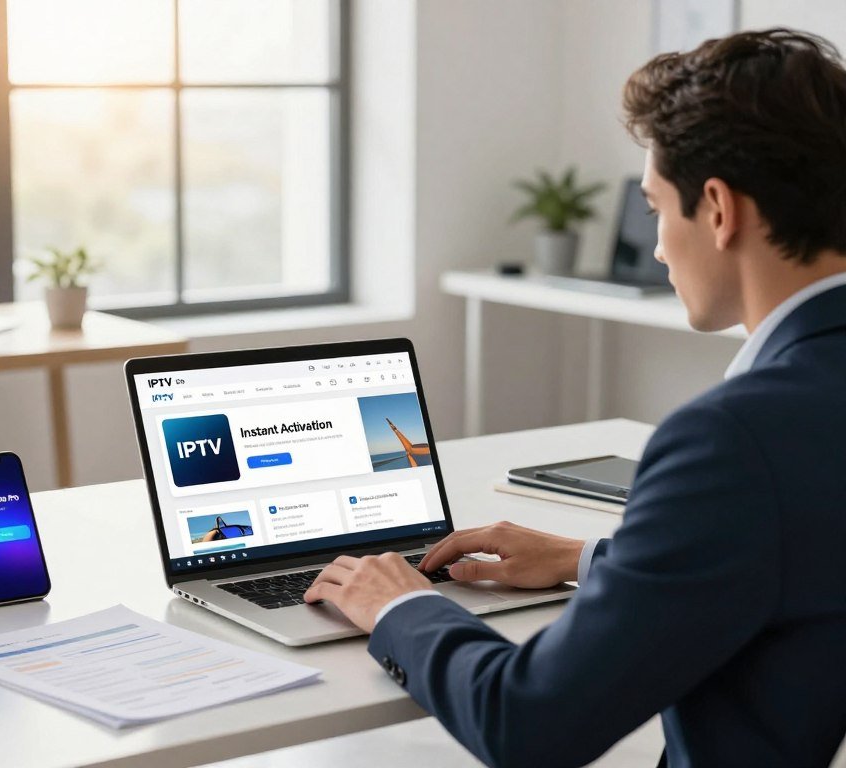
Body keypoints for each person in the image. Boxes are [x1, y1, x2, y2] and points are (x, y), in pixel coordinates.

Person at [304, 29, 846, 767]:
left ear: (718, 209)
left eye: (656, 207)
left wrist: (397, 604)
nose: (656, 247)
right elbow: (808, 551)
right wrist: (590, 557)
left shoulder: (733, 439)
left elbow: (527, 723)